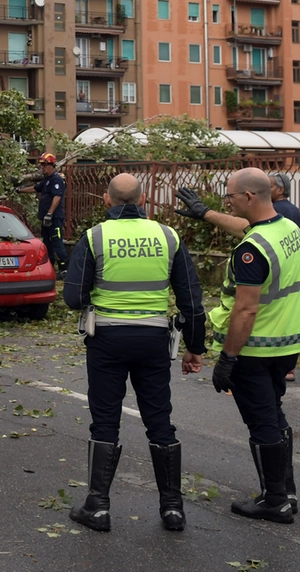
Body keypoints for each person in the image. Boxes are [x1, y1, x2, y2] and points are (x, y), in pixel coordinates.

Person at [64, 174, 206, 533]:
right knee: (159, 419)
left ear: (107, 199)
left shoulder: (95, 236)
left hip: (107, 340)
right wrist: (195, 346)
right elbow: (190, 298)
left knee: (105, 419)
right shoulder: (168, 236)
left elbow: (73, 298)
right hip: (153, 340)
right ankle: (173, 508)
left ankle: (98, 507)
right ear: (143, 198)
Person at [178, 168, 300, 523]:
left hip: (255, 349)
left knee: (261, 421)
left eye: (231, 196)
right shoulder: (288, 227)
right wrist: (205, 213)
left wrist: (228, 359)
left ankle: (275, 501)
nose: (228, 200)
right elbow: (244, 227)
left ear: (250, 198)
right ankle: (286, 490)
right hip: (288, 343)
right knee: (275, 413)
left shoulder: (251, 252)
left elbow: (246, 309)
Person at [34, 152, 68, 272]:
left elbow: (57, 197)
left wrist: (49, 214)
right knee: (47, 243)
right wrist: (18, 190)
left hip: (54, 218)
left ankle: (64, 268)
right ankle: (50, 267)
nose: (43, 168)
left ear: (52, 165)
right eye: (42, 166)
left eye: (45, 165)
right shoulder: (47, 180)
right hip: (45, 218)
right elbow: (35, 189)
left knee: (56, 242)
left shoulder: (56, 179)